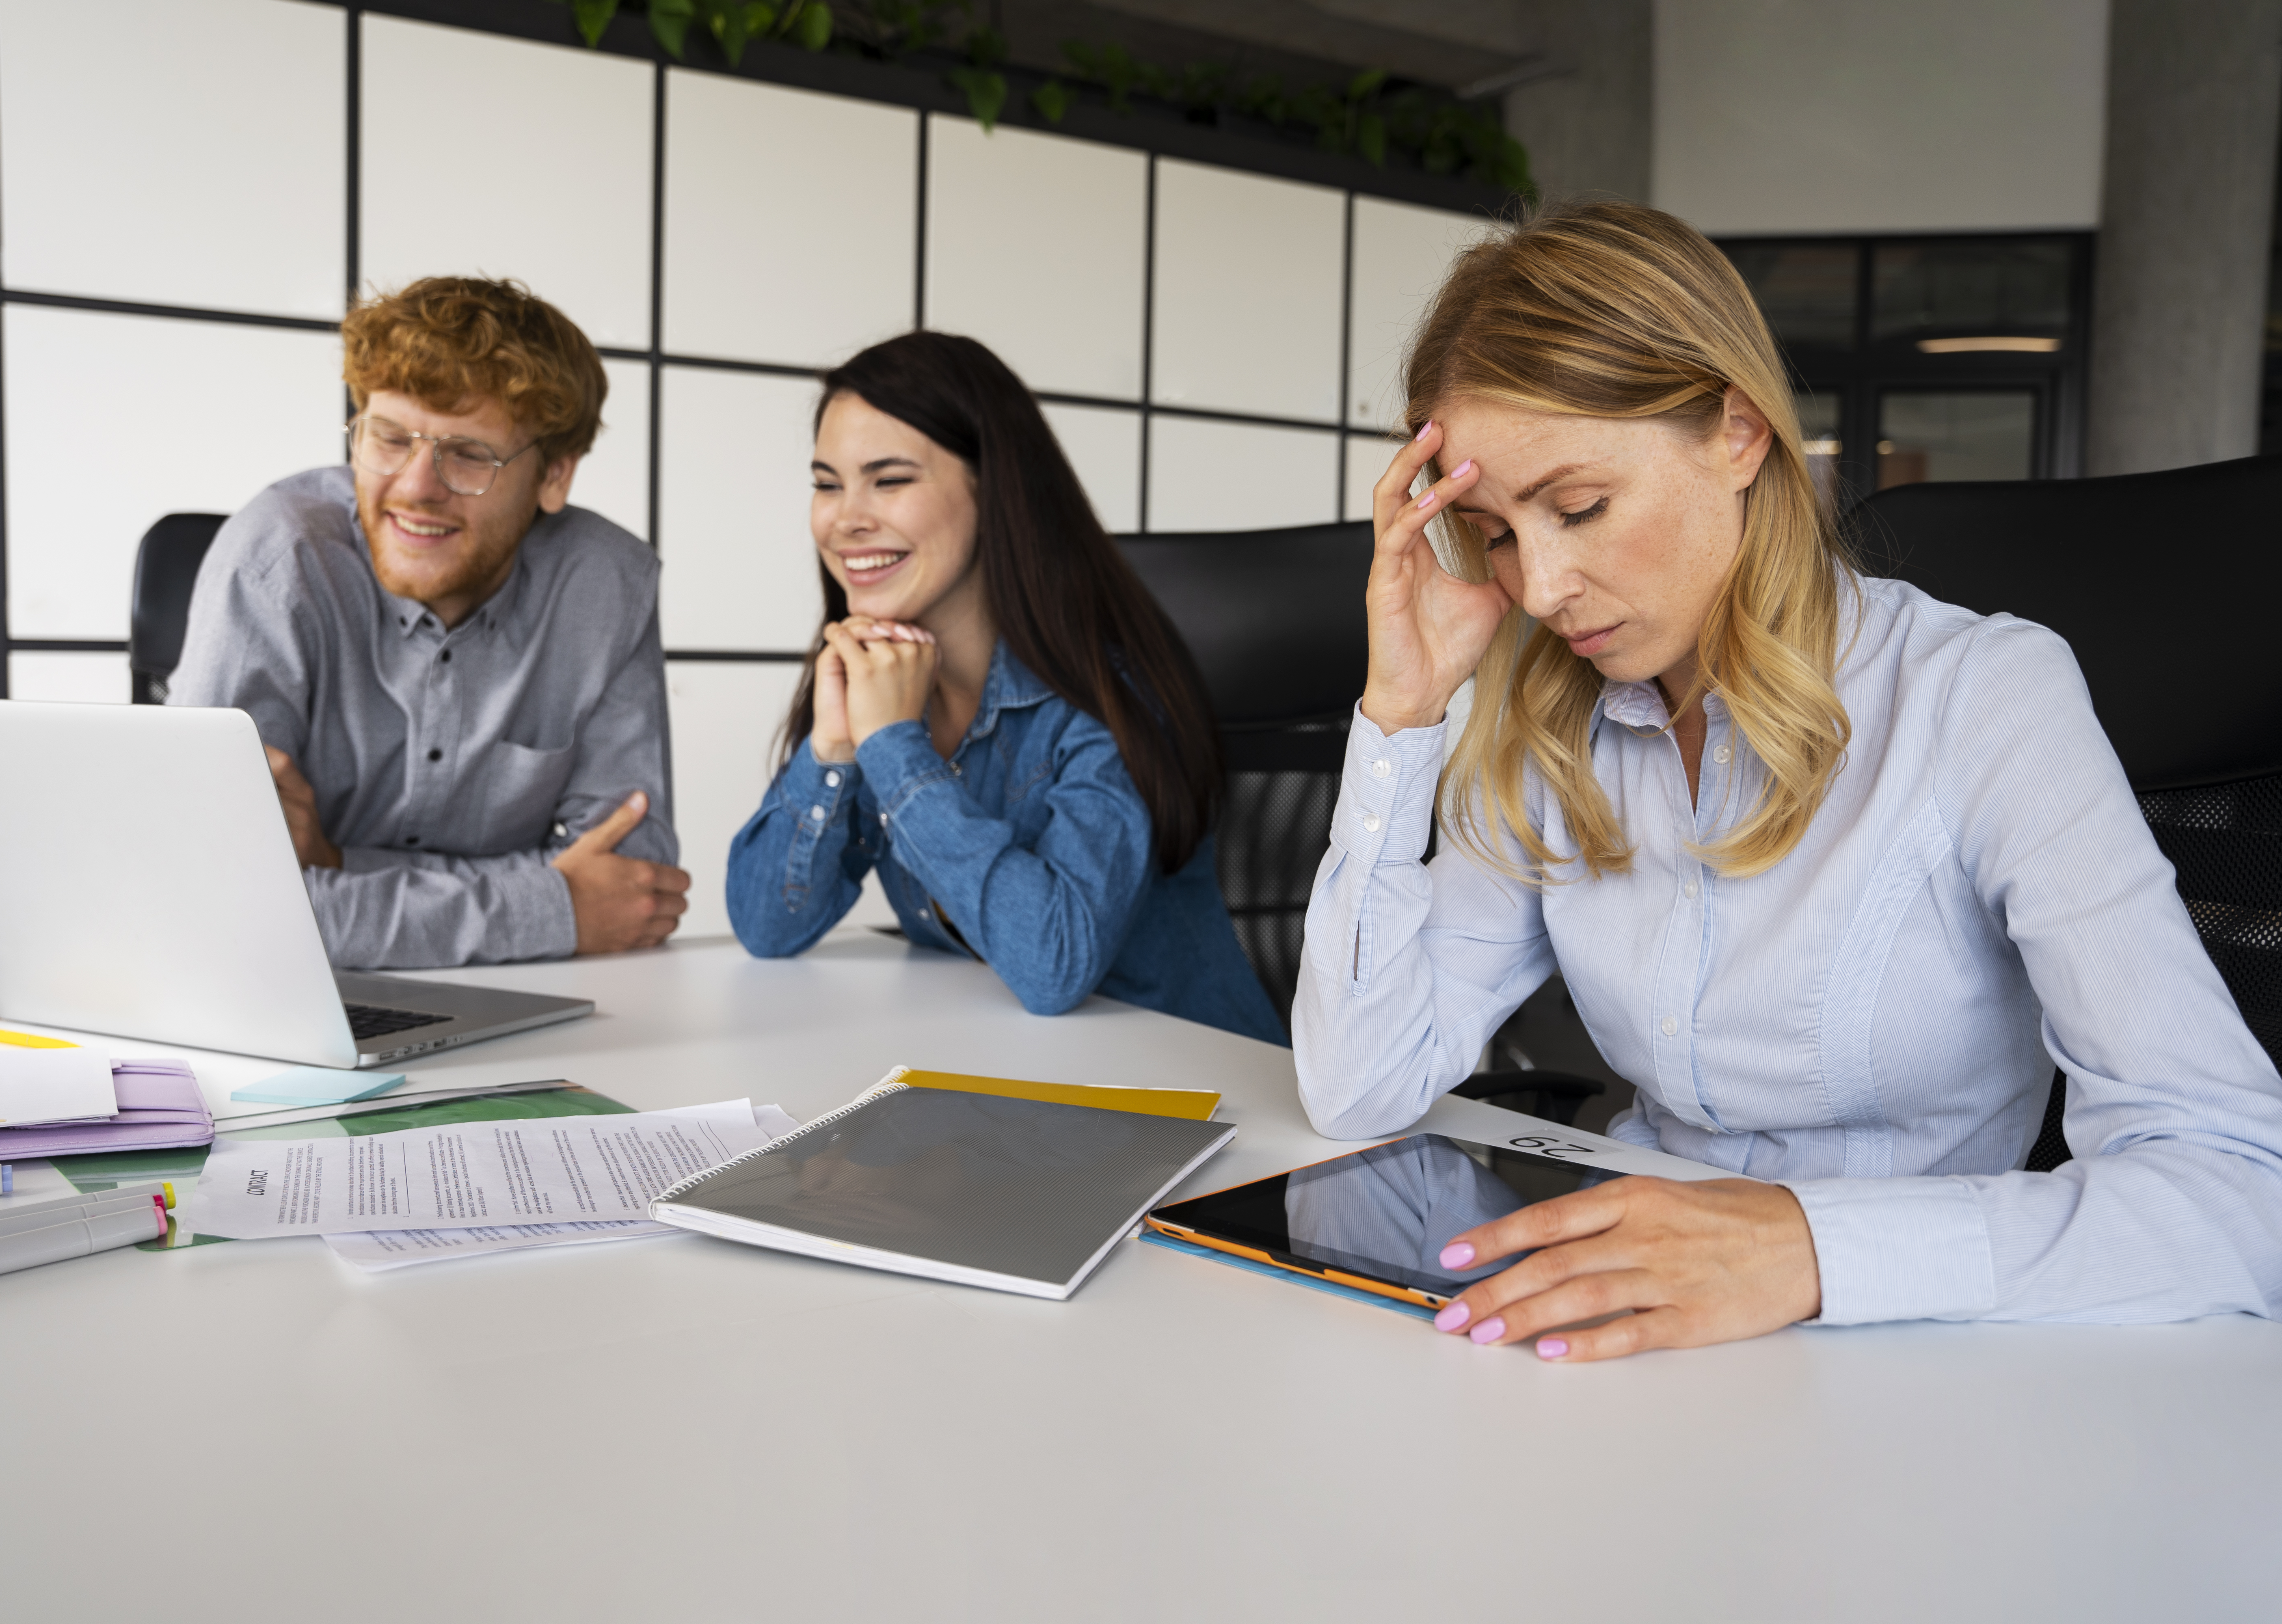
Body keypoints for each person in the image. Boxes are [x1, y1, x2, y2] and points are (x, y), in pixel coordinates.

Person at [1297, 201, 2282, 1359]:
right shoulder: (1549, 729)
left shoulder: (1983, 697)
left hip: (1916, 1348)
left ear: (1738, 433)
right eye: (1497, 533)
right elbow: (1359, 1090)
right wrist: (1401, 715)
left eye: (1578, 508)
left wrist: (1809, 1248)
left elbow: (2238, 1197)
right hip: (1627, 1330)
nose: (1544, 587)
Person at [725, 331, 1284, 1045]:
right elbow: (767, 927)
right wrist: (835, 745)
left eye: (889, 480)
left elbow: (1054, 966)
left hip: (1198, 1092)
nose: (845, 519)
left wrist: (896, 752)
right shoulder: (888, 683)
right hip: (1021, 1079)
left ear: (993, 489)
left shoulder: (1106, 695)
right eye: (827, 483)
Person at [168, 276, 688, 968]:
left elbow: (633, 891)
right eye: (388, 439)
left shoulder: (608, 584)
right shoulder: (276, 559)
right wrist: (550, 906)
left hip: (536, 1002)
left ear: (555, 475)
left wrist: (332, 866)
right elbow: (204, 905)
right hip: (285, 1005)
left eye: (469, 454)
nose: (415, 487)